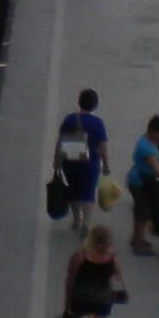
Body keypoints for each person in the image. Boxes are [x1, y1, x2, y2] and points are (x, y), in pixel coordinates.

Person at [63, 224, 126, 318]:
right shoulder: (109, 258)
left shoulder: (80, 257)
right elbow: (117, 277)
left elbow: (70, 280)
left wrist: (67, 303)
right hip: (91, 302)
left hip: (89, 300)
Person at [53, 89, 109, 221]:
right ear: (95, 105)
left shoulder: (69, 120)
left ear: (79, 102)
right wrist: (106, 165)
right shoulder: (97, 123)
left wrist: (56, 160)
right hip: (90, 164)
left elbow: (60, 141)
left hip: (70, 162)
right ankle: (87, 223)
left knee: (74, 192)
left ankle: (77, 220)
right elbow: (103, 147)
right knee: (89, 194)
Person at [126, 115, 159, 253]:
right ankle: (138, 245)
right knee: (143, 214)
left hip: (137, 179)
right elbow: (156, 169)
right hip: (141, 183)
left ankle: (136, 239)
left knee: (139, 212)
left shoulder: (146, 140)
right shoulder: (147, 150)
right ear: (153, 131)